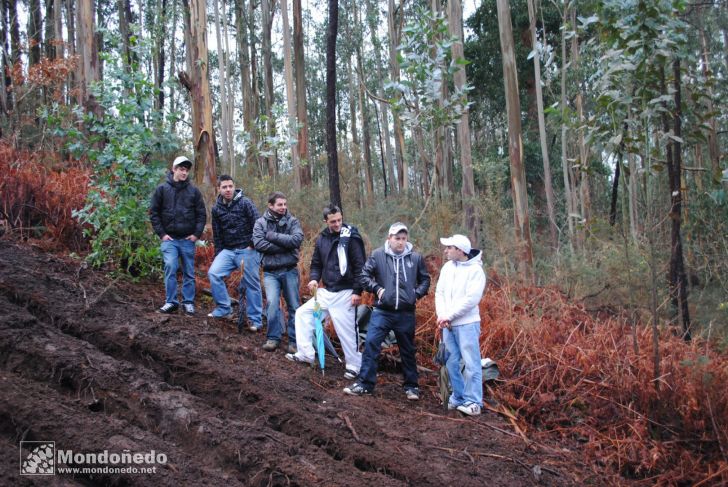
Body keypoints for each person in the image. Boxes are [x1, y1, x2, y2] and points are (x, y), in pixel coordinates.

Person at [343, 222, 430, 400]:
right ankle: (365, 384)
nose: (400, 242)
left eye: (404, 238)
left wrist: (416, 294)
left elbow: (425, 280)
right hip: (382, 311)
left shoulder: (415, 258)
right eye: (397, 238)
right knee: (371, 344)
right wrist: (377, 289)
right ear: (389, 239)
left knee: (407, 350)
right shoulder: (377, 255)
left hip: (406, 312)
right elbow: (364, 276)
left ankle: (412, 386)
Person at [286, 204, 366, 377]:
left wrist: (357, 291)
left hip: (346, 292)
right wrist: (314, 279)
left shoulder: (352, 236)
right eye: (333, 221)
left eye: (339, 220)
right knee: (302, 314)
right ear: (326, 221)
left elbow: (361, 267)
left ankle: (354, 365)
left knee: (347, 331)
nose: (337, 224)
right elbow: (316, 263)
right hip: (326, 291)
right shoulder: (322, 238)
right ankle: (306, 354)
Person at [435, 234, 486, 416]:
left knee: (472, 363)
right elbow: (439, 292)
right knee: (451, 362)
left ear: (460, 250)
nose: (446, 250)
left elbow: (471, 300)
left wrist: (449, 315)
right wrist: (442, 315)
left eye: (450, 248)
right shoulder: (447, 268)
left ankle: (474, 402)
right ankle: (458, 397)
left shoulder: (476, 271)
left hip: (467, 324)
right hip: (447, 325)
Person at [149, 156, 206, 315]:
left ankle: (188, 303)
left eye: (187, 170)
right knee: (170, 267)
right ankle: (171, 302)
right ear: (174, 169)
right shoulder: (162, 190)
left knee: (189, 272)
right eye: (181, 169)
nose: (184, 172)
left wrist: (196, 235)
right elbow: (154, 213)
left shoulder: (194, 192)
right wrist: (162, 234)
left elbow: (201, 215)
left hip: (188, 240)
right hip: (170, 240)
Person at [207, 175, 263, 330]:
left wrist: (252, 245)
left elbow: (258, 224)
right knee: (214, 273)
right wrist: (218, 253)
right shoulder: (216, 208)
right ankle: (224, 308)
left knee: (252, 284)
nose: (228, 190)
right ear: (218, 189)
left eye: (230, 186)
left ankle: (255, 320)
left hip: (247, 250)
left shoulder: (245, 203)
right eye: (224, 187)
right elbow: (217, 233)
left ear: (234, 186)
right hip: (228, 251)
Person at [252, 192, 303, 353]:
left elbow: (296, 240)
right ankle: (273, 338)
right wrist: (285, 246)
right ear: (270, 205)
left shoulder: (292, 221)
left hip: (290, 270)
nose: (283, 207)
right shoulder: (260, 223)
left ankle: (294, 342)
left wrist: (272, 236)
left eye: (285, 204)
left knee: (294, 306)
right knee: (272, 304)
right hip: (270, 272)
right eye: (280, 204)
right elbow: (259, 244)